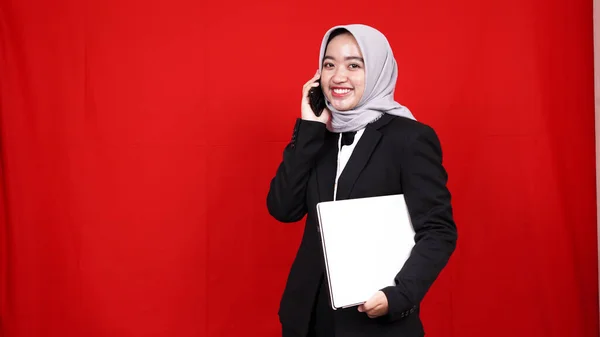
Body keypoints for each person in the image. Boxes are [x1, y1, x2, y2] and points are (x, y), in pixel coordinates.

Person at [266, 24, 457, 337]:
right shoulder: (319, 137)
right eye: (329, 65)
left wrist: (399, 295)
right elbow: (282, 208)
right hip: (306, 320)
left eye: (354, 65)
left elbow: (438, 231)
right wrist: (308, 130)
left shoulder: (410, 139)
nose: (339, 76)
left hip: (376, 322)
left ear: (378, 70)